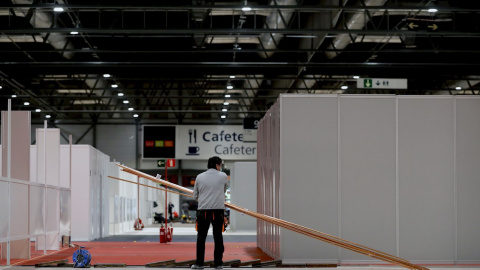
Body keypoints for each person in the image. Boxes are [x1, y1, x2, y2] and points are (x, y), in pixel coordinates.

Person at [191, 156, 228, 270]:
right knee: (218, 237)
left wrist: (205, 200)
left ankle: (199, 264)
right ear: (217, 165)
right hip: (218, 211)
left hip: (203, 211)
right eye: (220, 165)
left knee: (201, 237)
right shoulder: (223, 176)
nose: (220, 167)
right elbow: (224, 190)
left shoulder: (199, 177)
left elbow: (195, 196)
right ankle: (218, 264)